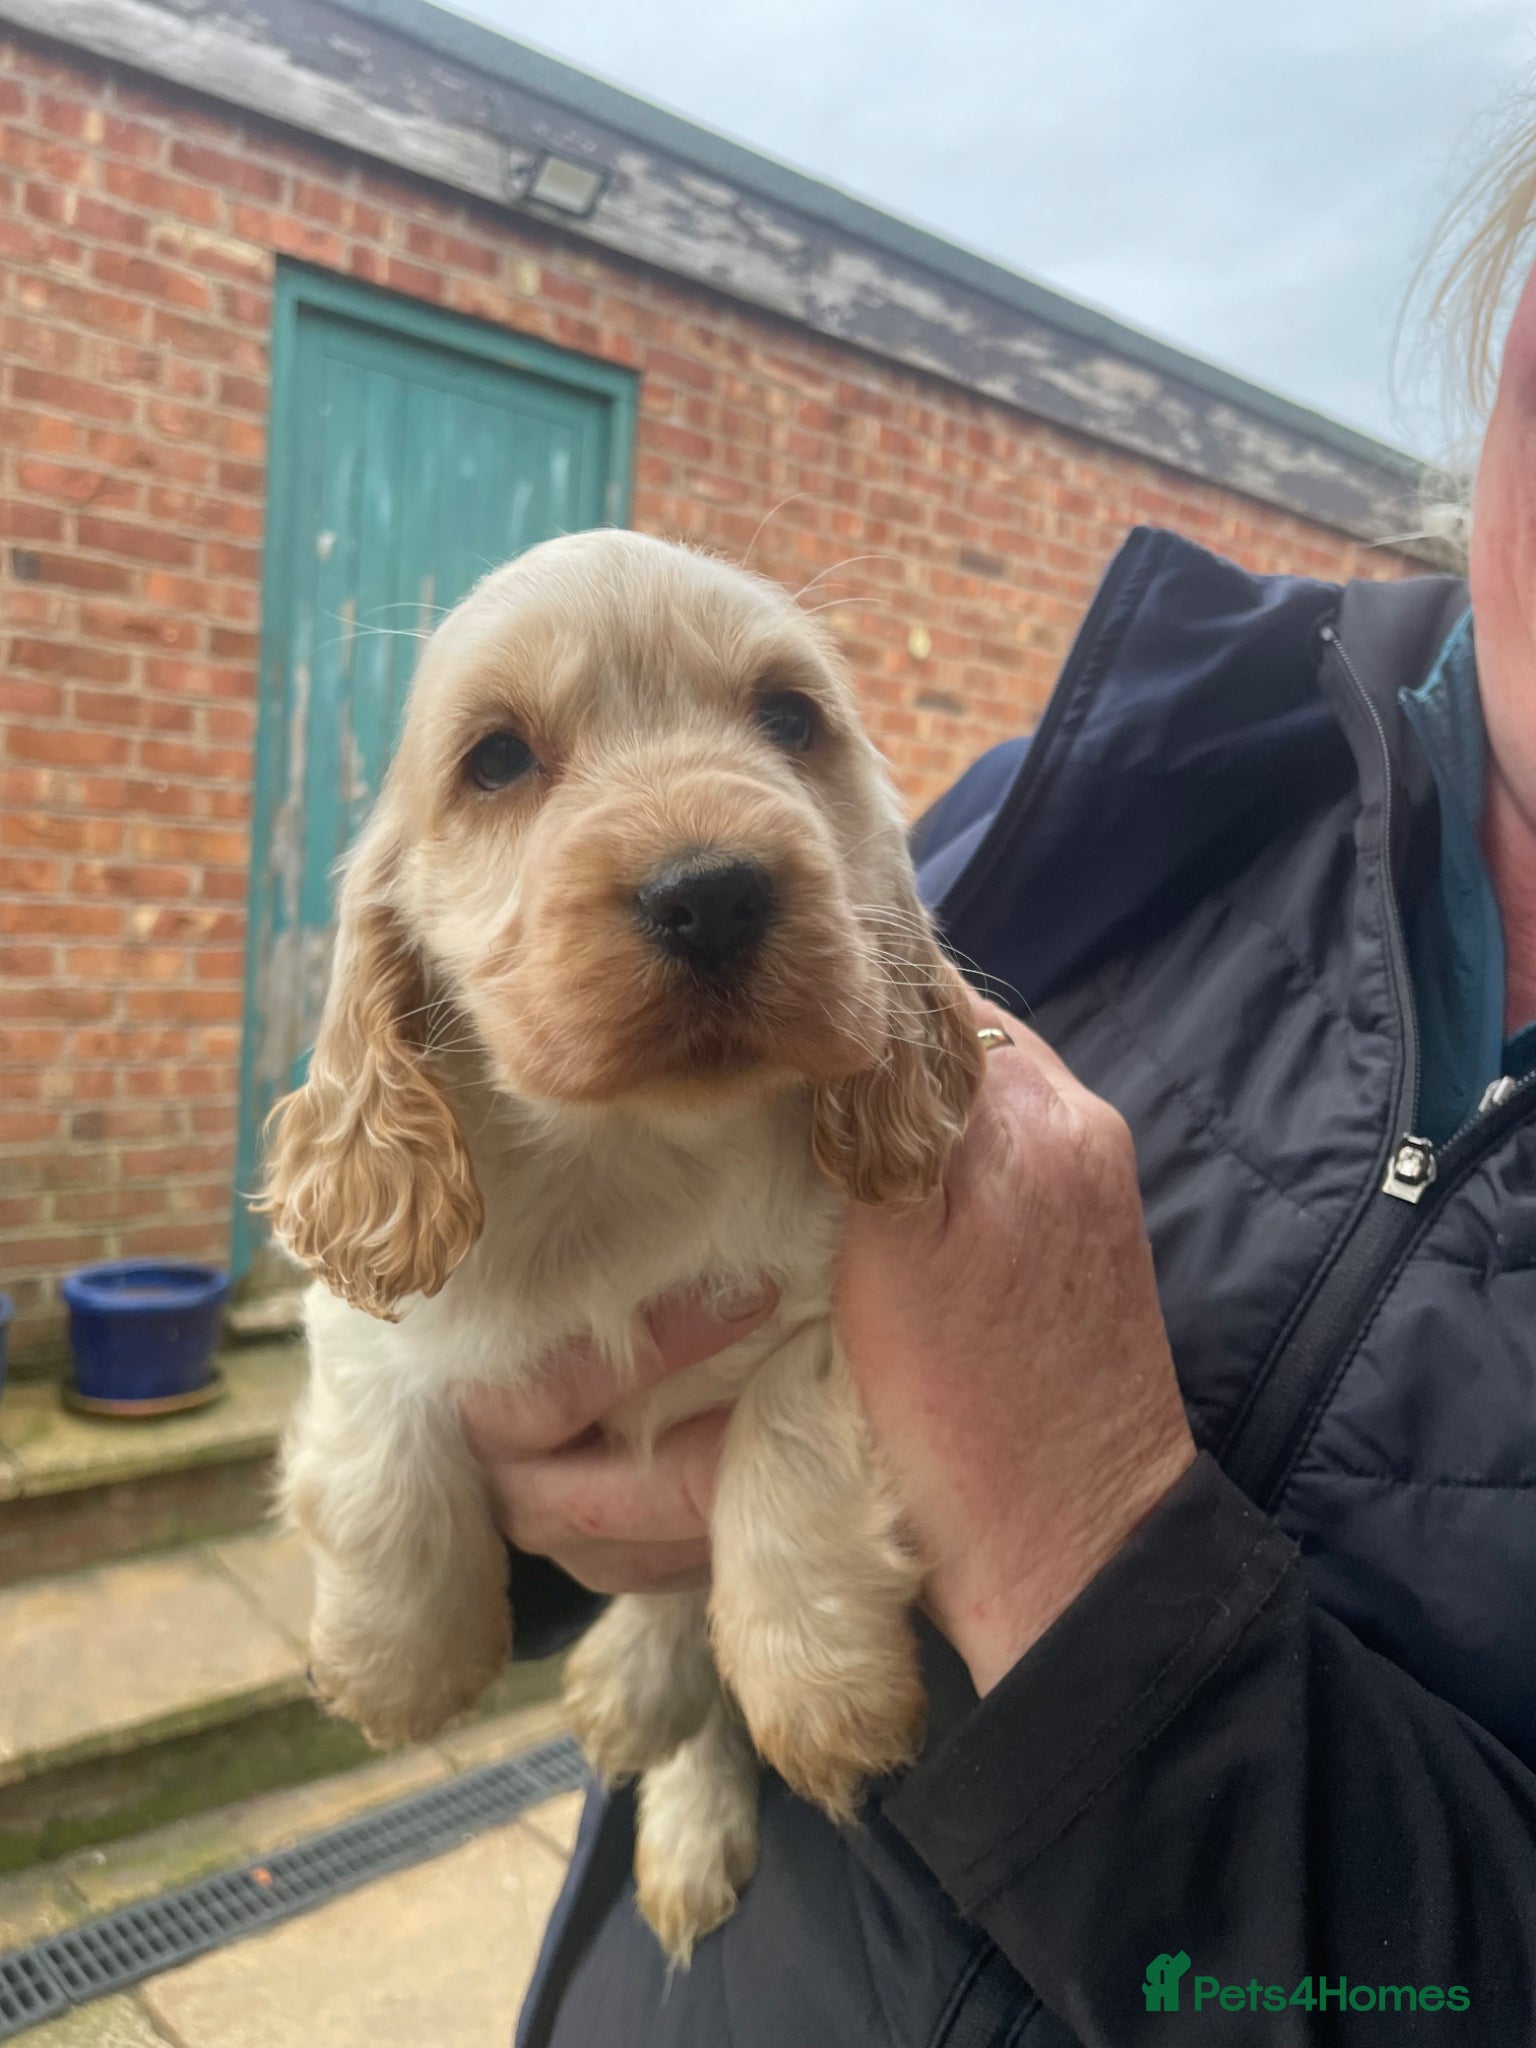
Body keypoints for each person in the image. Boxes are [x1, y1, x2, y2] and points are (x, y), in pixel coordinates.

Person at [463, 121, 1536, 2047]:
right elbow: (615, 1340)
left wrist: (1088, 1537)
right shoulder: (1113, 784)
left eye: (780, 719)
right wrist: (512, 1488)